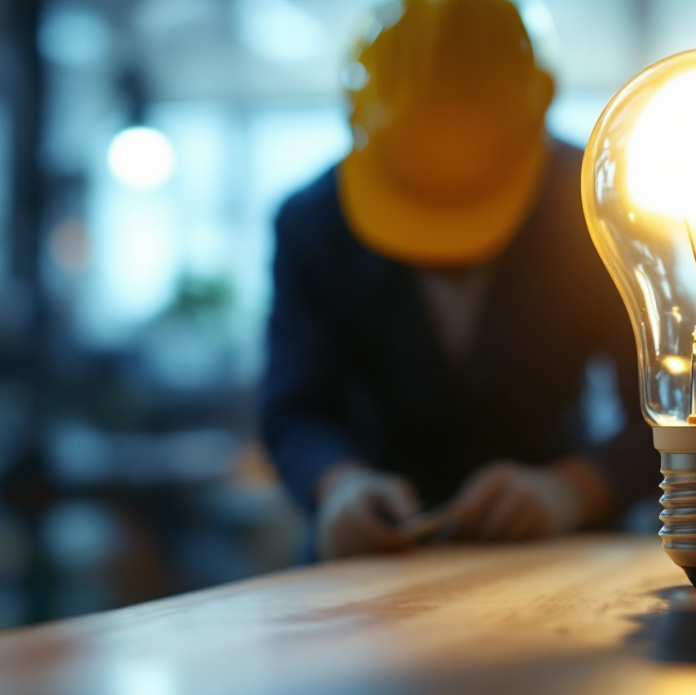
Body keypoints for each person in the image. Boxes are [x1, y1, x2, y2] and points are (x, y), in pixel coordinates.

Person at [260, 0, 649, 559]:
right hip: (371, 561)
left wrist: (573, 489)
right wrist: (338, 485)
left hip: (558, 550)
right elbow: (295, 407)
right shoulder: (313, 224)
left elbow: (672, 405)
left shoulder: (594, 206)